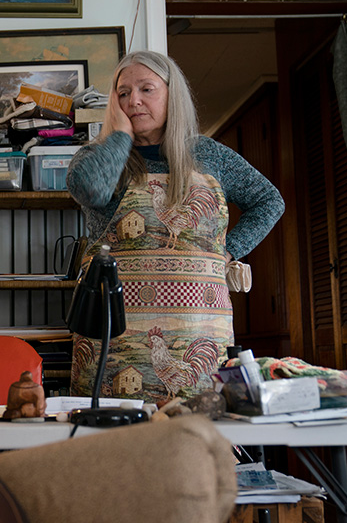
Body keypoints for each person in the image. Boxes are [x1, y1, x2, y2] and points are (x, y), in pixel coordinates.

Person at [66, 50, 284, 405]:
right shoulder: (99, 157)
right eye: (122, 93)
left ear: (172, 95)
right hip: (115, 337)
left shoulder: (210, 155)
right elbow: (90, 188)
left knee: (194, 444)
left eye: (146, 89)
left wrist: (227, 250)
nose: (133, 100)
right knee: (114, 447)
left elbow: (269, 201)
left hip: (198, 332)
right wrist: (119, 136)